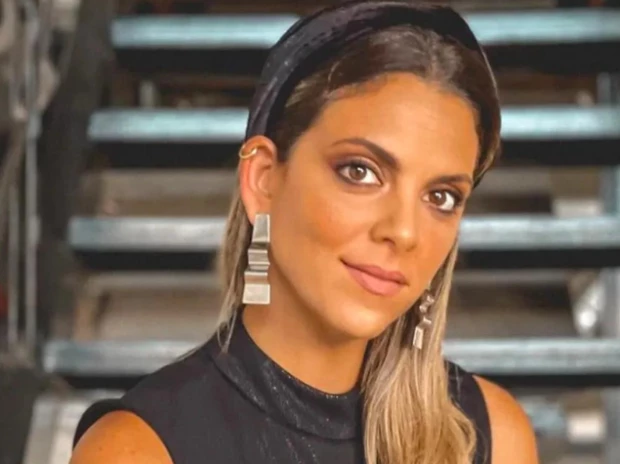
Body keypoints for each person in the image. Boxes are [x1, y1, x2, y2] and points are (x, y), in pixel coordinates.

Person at [70, 2, 539, 463]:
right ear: (263, 180)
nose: (403, 231)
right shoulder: (136, 450)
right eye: (360, 171)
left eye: (441, 197)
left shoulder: (492, 437)